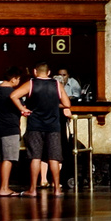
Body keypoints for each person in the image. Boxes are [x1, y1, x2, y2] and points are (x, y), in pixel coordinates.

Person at [12, 62, 72, 195]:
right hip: (53, 126)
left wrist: (23, 108)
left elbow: (13, 96)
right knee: (54, 157)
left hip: (35, 125)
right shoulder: (57, 84)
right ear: (49, 72)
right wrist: (54, 104)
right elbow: (67, 104)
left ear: (34, 71)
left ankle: (32, 189)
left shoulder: (31, 84)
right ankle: (57, 189)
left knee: (35, 157)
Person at [0, 67, 28, 196]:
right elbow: (21, 109)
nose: (19, 82)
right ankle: (4, 188)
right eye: (18, 79)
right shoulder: (12, 93)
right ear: (13, 79)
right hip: (10, 128)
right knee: (8, 158)